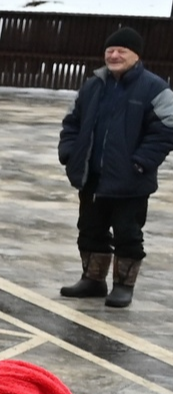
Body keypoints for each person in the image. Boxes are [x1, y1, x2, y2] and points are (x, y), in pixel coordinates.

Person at [56, 24, 170, 308]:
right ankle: (93, 280)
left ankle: (123, 286)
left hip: (130, 179)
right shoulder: (93, 85)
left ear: (136, 55)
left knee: (127, 234)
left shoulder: (155, 88)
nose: (114, 55)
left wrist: (141, 163)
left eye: (122, 50)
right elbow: (71, 122)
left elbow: (166, 130)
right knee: (90, 229)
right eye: (110, 50)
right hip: (92, 176)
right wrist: (69, 153)